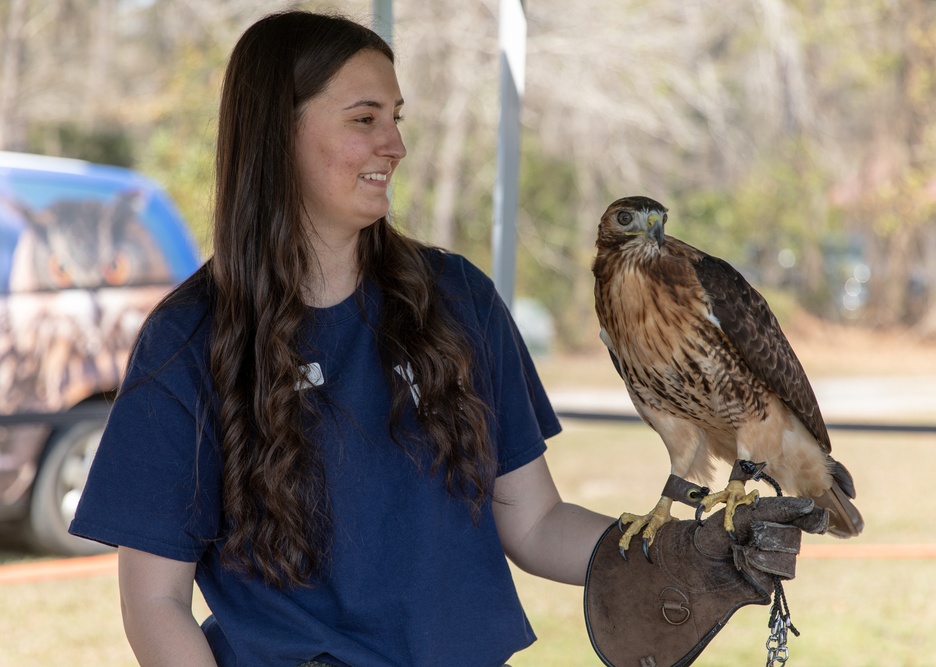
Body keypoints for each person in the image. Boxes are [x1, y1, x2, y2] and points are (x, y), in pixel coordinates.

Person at [69, 10, 612, 667]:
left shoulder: (459, 300)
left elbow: (534, 522)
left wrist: (671, 554)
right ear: (279, 133)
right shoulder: (190, 339)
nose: (395, 145)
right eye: (365, 119)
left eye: (396, 117)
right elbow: (154, 604)